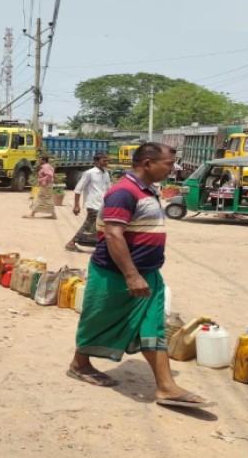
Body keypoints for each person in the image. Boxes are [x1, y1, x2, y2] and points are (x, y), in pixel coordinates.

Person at [68, 142, 216, 409]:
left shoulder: (148, 190)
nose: (173, 169)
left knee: (152, 327)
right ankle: (80, 364)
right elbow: (113, 234)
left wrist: (142, 274)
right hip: (115, 274)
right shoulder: (123, 192)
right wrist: (131, 275)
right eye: (169, 164)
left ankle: (166, 387)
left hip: (148, 274)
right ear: (148, 163)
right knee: (99, 320)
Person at [65, 153, 112, 253]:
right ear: (96, 161)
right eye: (104, 160)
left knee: (96, 225)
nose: (106, 163)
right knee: (90, 224)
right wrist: (76, 205)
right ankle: (72, 243)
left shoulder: (106, 174)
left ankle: (98, 245)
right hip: (93, 204)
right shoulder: (89, 173)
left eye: (107, 161)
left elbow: (108, 189)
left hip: (103, 204)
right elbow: (78, 189)